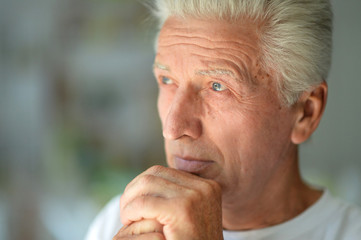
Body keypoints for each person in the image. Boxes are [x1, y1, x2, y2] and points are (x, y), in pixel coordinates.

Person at [85, 1, 361, 239]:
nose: (173, 128)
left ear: (305, 114)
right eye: (167, 80)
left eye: (217, 87)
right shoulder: (118, 220)